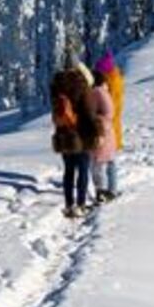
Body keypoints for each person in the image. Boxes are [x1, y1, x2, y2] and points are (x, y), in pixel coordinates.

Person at [50, 63, 98, 218]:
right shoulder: (82, 86)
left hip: (63, 135)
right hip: (81, 135)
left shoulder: (57, 85)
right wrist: (97, 133)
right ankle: (81, 205)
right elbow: (89, 114)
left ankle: (68, 204)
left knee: (68, 171)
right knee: (83, 171)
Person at [94, 50, 125, 194]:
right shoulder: (116, 79)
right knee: (109, 159)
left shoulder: (110, 85)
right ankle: (111, 188)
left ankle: (108, 189)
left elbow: (109, 108)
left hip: (108, 127)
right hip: (112, 126)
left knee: (104, 160)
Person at [89, 68, 118, 202]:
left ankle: (101, 191)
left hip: (100, 133)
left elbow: (101, 113)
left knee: (97, 164)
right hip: (108, 132)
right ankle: (112, 189)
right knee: (109, 162)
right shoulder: (104, 91)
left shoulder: (96, 93)